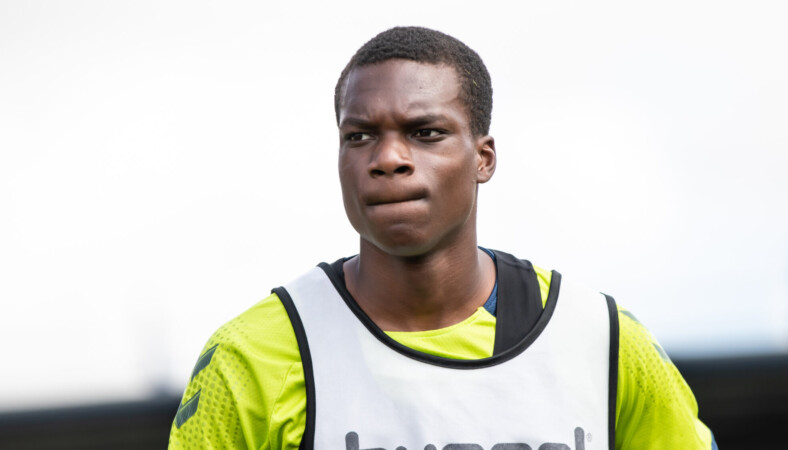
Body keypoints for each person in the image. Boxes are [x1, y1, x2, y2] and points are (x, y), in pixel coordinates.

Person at [168, 26, 717, 450]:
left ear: (484, 158)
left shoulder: (601, 341)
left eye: (425, 133)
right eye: (359, 136)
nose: (388, 159)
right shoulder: (251, 357)